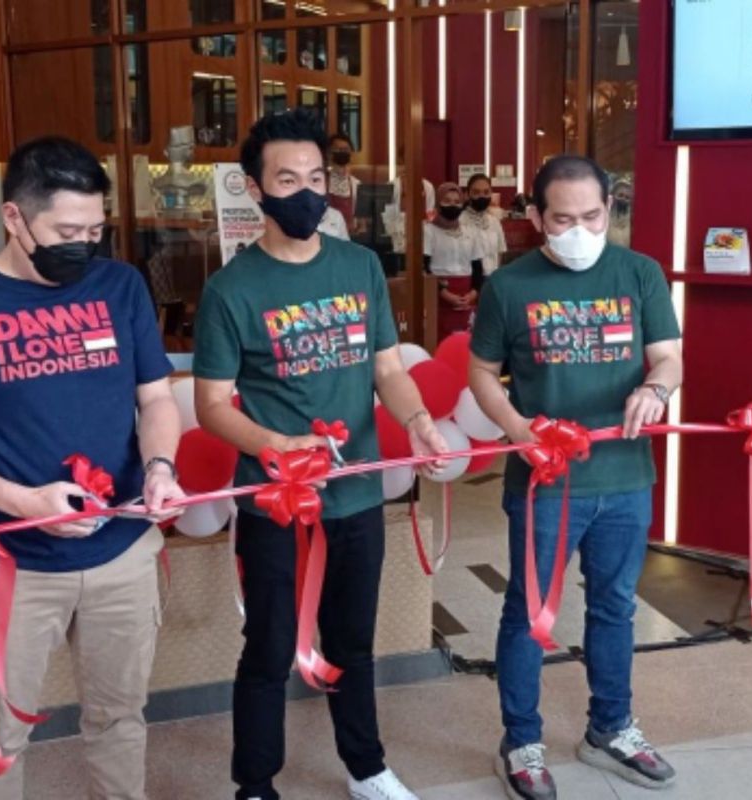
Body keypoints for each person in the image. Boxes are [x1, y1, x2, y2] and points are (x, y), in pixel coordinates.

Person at [192, 108, 448, 800]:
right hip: (276, 502)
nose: (307, 192)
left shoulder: (360, 265)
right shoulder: (230, 291)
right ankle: (254, 783)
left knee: (353, 642)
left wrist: (419, 421)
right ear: (255, 188)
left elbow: (388, 371)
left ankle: (366, 768)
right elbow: (211, 406)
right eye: (287, 178)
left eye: (316, 176)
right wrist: (277, 446)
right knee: (270, 648)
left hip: (356, 497)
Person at [0, 136, 185, 799]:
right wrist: (19, 501)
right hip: (10, 564)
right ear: (15, 218)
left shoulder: (120, 286)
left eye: (95, 229)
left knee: (119, 718)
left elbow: (157, 398)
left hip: (123, 552)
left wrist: (161, 467)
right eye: (66, 231)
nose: (83, 244)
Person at [469, 155, 684, 799]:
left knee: (616, 606)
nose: (580, 230)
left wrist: (656, 388)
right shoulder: (510, 287)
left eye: (593, 216)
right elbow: (482, 373)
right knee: (530, 613)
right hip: (543, 482)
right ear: (535, 217)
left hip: (624, 478)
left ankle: (610, 729)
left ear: (610, 210)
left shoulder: (639, 274)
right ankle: (522, 739)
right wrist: (516, 430)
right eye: (562, 218)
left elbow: (669, 358)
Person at [425, 182, 484, 342]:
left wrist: (473, 293)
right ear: (438, 203)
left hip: (467, 294)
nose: (453, 205)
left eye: (457, 202)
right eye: (447, 201)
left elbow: (478, 267)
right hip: (439, 296)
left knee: (466, 343)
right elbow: (424, 268)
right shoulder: (429, 231)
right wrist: (444, 293)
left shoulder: (470, 231)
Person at [462, 173, 509, 275]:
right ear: (468, 194)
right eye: (476, 192)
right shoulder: (459, 221)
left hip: (492, 278)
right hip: (469, 280)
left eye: (486, 192)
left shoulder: (494, 221)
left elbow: (500, 252)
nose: (481, 196)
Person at [326, 133, 361, 235]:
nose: (342, 153)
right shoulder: (320, 183)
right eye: (338, 150)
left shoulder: (356, 185)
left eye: (346, 150)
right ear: (329, 154)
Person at [607, 179, 633, 248]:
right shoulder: (603, 217)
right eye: (620, 195)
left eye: (627, 197)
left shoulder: (632, 220)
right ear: (612, 196)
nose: (623, 199)